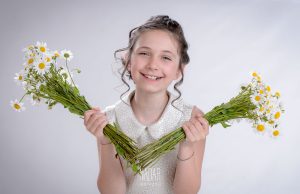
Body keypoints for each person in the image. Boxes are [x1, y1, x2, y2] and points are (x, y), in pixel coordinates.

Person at [83, 15, 209, 194]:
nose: (153, 65)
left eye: (165, 57)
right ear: (128, 61)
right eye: (144, 53)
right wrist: (105, 141)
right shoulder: (109, 119)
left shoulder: (191, 118)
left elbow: (186, 192)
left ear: (179, 70)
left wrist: (187, 145)